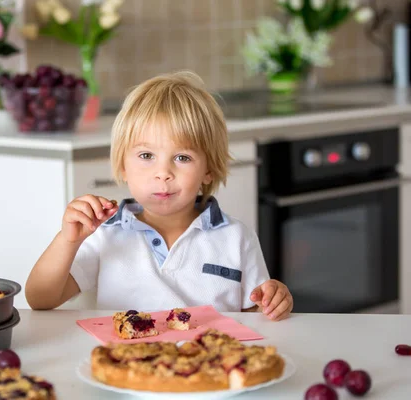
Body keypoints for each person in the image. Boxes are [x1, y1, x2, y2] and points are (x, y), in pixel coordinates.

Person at [25, 71, 293, 321]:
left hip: (208, 366)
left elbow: (256, 316)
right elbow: (40, 299)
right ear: (122, 166)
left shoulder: (237, 237)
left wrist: (274, 300)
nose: (163, 173)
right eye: (146, 156)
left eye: (182, 157)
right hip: (124, 365)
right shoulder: (105, 235)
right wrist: (67, 241)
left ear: (208, 169)